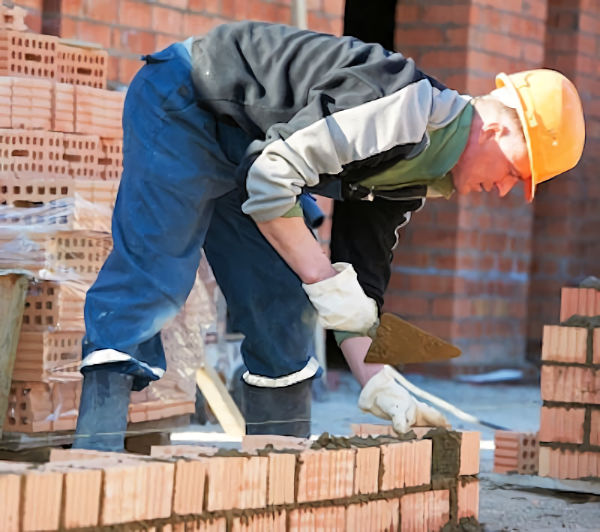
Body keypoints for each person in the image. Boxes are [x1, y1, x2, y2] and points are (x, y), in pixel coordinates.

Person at [72, 21, 585, 451]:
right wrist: (321, 275)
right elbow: (273, 179)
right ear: (499, 131)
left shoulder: (413, 179)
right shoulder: (401, 107)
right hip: (188, 101)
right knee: (155, 276)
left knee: (281, 307)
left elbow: (357, 294)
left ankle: (278, 479)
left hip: (252, 150)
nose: (502, 190)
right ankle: (94, 462)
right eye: (516, 174)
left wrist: (380, 383)